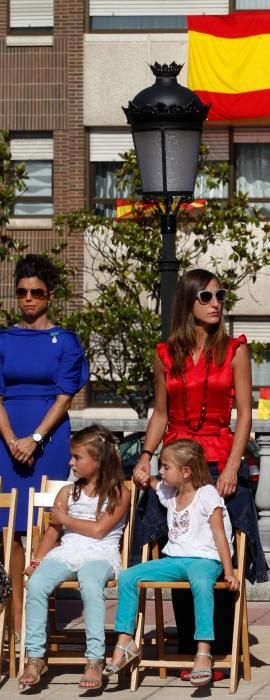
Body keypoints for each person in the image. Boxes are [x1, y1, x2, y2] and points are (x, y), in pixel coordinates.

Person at [132, 268, 270, 670]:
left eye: (220, 296)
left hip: (219, 457)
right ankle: (187, 642)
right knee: (174, 542)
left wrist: (231, 467)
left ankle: (225, 642)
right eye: (207, 297)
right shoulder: (165, 354)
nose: (216, 303)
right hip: (175, 461)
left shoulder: (235, 350)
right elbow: (161, 412)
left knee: (222, 546)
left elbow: (245, 414)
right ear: (188, 302)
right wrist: (145, 455)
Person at [0, 254, 89, 637]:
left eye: (36, 292)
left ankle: (38, 614)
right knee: (8, 530)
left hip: (48, 443)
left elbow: (65, 396)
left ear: (49, 296)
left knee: (42, 526)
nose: (28, 299)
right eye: (22, 292)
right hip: (6, 444)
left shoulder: (65, 341)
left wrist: (34, 439)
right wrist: (10, 440)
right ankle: (18, 620)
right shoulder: (3, 339)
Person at [105, 439, 239, 687]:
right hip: (175, 559)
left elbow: (220, 535)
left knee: (200, 584)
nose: (161, 471)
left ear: (186, 471)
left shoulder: (207, 494)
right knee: (128, 576)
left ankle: (203, 651)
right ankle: (125, 641)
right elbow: (155, 485)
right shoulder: (170, 492)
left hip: (205, 560)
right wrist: (147, 479)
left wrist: (229, 571)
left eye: (166, 467)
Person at [18, 425, 131, 690]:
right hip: (67, 551)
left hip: (100, 554)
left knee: (91, 586)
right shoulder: (67, 492)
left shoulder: (119, 493)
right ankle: (35, 655)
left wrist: (65, 518)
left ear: (99, 460)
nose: (71, 462)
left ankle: (94, 659)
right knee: (35, 585)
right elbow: (52, 532)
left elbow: (99, 530)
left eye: (77, 457)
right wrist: (36, 562)